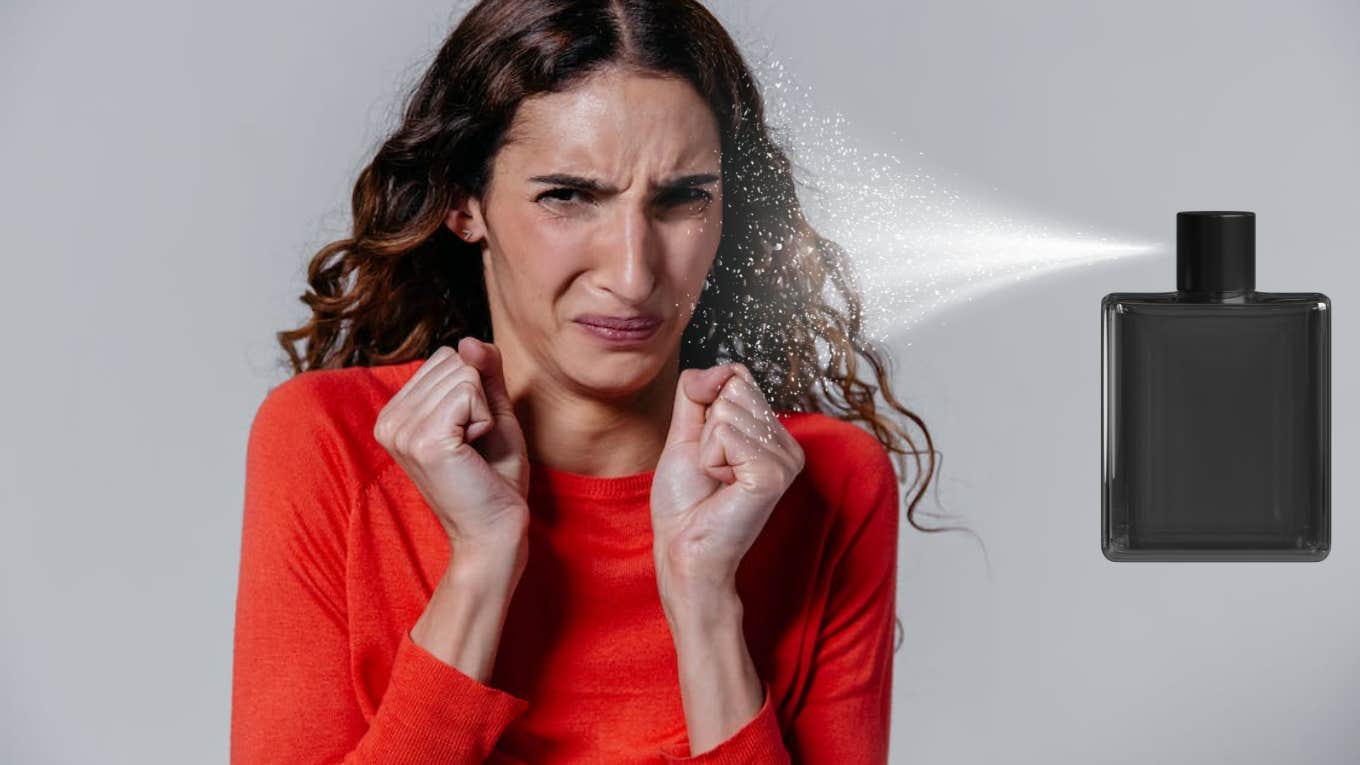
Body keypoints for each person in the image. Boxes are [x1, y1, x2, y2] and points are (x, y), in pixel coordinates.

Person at [231, 0, 936, 762]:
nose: (633, 276)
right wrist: (479, 566)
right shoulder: (329, 440)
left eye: (681, 198)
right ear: (465, 203)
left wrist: (703, 603)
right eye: (568, 195)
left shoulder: (824, 483)